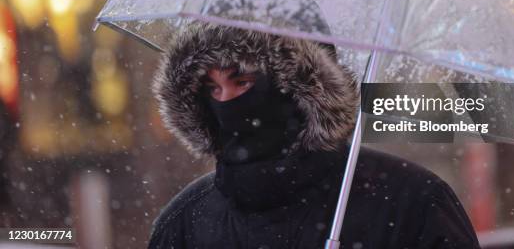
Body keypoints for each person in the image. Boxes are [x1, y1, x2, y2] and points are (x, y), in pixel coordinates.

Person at [147, 19, 480, 248]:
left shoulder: (413, 202)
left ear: (298, 89)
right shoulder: (186, 221)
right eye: (212, 89)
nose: (227, 102)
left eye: (243, 82)